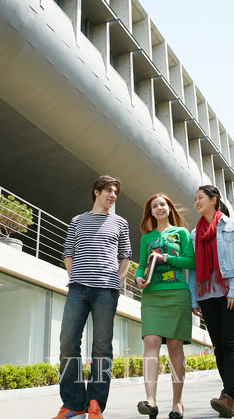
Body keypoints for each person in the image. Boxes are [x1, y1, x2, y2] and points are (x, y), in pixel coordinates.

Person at [54, 176, 132, 419]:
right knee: (68, 343)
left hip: (106, 292)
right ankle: (73, 404)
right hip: (78, 288)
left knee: (102, 347)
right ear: (96, 192)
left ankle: (95, 403)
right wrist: (75, 276)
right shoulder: (77, 221)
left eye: (116, 192)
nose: (113, 195)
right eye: (109, 190)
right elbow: (69, 252)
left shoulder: (120, 223)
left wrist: (116, 282)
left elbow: (125, 256)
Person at [188, 185, 234, 418]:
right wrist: (194, 297)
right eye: (195, 199)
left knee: (230, 343)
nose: (197, 202)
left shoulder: (233, 226)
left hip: (230, 292)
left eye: (200, 198)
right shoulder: (195, 234)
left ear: (214, 200)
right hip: (206, 295)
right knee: (219, 347)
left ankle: (228, 394)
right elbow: (193, 269)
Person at [134, 194, 195, 419]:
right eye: (154, 206)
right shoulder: (145, 238)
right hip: (151, 296)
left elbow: (191, 261)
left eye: (162, 204)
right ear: (150, 212)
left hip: (177, 293)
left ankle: (177, 402)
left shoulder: (181, 233)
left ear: (169, 208)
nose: (159, 208)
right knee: (151, 342)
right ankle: (150, 400)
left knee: (175, 346)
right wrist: (138, 278)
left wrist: (166, 258)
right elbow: (141, 266)